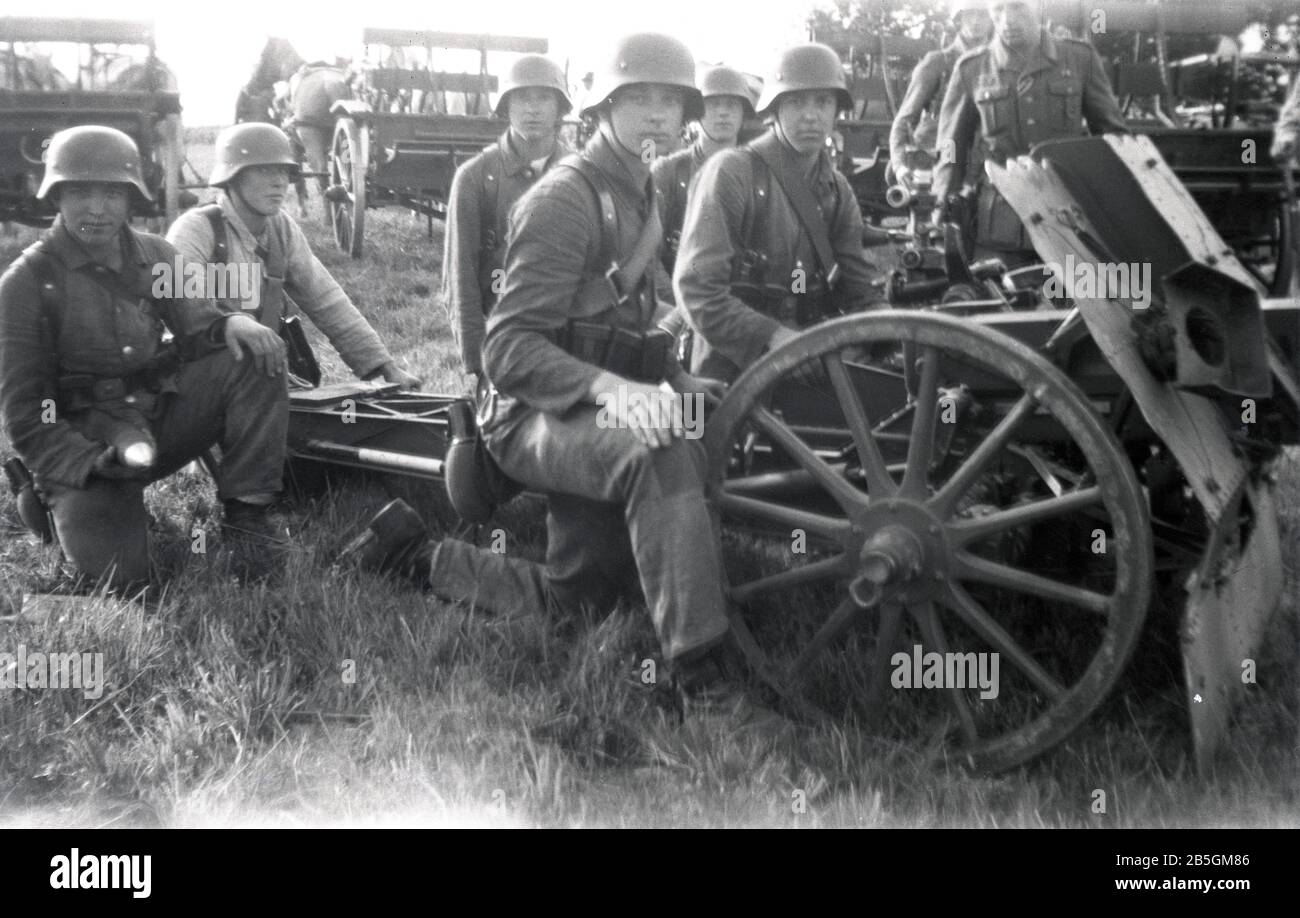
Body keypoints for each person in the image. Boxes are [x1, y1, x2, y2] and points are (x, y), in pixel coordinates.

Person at [344, 32, 766, 720]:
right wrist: (619, 394)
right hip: (521, 412)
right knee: (654, 450)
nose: (658, 114)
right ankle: (704, 678)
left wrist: (676, 385)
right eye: (639, 99)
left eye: (670, 101)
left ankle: (416, 555)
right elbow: (506, 349)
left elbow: (619, 324)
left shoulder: (640, 191)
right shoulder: (568, 197)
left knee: (582, 603)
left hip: (580, 404)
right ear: (604, 108)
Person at [0, 126, 290, 589]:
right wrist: (86, 463)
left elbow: (198, 321)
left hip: (158, 419)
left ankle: (247, 514)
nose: (98, 209)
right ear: (55, 196)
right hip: (89, 445)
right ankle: (47, 498)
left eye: (113, 194)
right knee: (123, 582)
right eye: (80, 193)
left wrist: (230, 323)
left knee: (252, 355)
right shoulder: (25, 284)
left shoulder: (156, 255)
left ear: (131, 198)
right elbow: (26, 414)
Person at [673, 42, 881, 383]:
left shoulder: (836, 189)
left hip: (809, 362)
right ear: (774, 110)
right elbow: (697, 291)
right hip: (731, 373)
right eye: (796, 102)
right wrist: (777, 339)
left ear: (836, 111)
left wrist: (886, 328)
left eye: (823, 102)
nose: (811, 115)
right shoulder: (731, 173)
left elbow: (859, 286)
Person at [167, 123, 418, 389]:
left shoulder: (280, 228)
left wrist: (384, 367)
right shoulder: (194, 227)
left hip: (258, 375)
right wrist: (226, 323)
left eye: (283, 171)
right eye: (264, 170)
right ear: (233, 177)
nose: (278, 182)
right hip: (196, 378)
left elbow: (326, 300)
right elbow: (170, 303)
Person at [933, 0, 1127, 268]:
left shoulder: (1080, 58)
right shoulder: (973, 67)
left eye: (1017, 7)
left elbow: (1112, 134)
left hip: (1069, 212)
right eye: (998, 10)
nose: (1007, 20)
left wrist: (1115, 200)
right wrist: (944, 194)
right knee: (999, 297)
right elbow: (951, 143)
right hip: (1000, 220)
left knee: (1076, 302)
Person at [443, 54, 572, 379]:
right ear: (505, 106)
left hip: (572, 339)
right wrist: (476, 357)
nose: (532, 108)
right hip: (501, 336)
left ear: (560, 107)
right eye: (522, 98)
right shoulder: (474, 177)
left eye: (543, 97)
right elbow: (460, 277)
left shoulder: (582, 174)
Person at [651, 65, 757, 275]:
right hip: (678, 294)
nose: (723, 112)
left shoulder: (763, 175)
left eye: (732, 105)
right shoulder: (668, 172)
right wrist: (678, 304)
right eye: (713, 104)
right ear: (697, 113)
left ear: (743, 113)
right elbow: (648, 259)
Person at [889, 0, 992, 189]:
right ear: (959, 20)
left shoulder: (996, 66)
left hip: (981, 168)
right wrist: (899, 166)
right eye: (970, 15)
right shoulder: (938, 63)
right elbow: (904, 119)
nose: (976, 21)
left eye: (983, 14)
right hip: (941, 163)